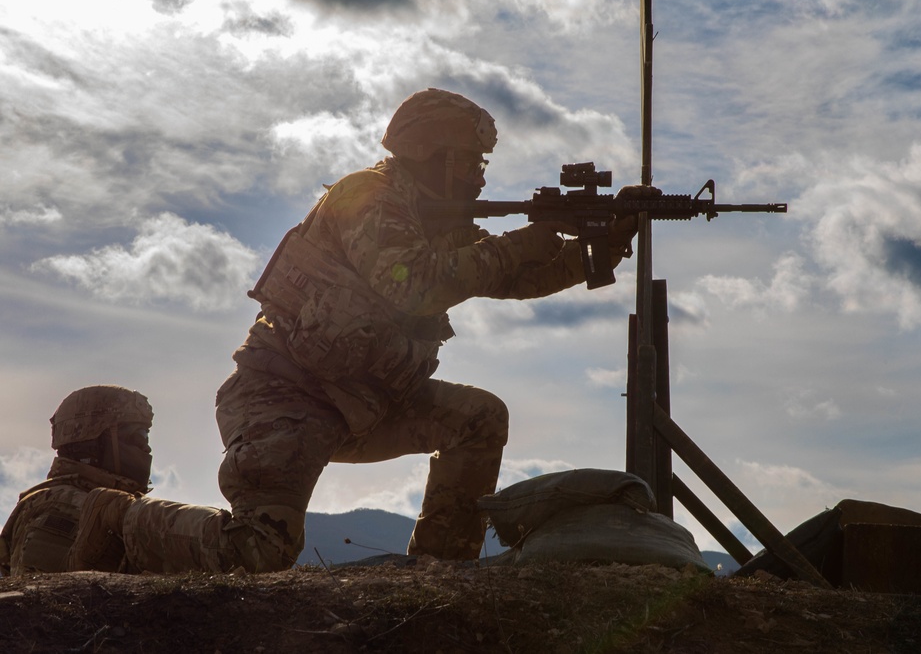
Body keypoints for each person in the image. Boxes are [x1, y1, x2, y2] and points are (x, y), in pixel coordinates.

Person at [69, 88, 638, 573]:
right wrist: (525, 241)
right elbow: (415, 286)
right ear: (430, 154)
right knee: (260, 552)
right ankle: (118, 516)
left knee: (478, 419)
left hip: (368, 401)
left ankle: (437, 574)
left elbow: (507, 279)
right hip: (286, 396)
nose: (477, 175)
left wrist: (595, 250)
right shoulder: (368, 198)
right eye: (468, 160)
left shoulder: (432, 221)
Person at [0, 385, 153, 576]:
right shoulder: (64, 505)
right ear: (94, 443)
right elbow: (45, 595)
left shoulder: (103, 504)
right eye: (138, 437)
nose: (146, 449)